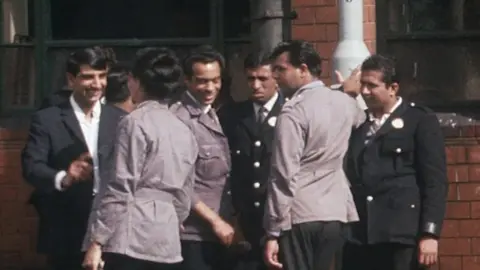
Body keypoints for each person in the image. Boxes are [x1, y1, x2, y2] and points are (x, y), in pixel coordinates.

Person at [81, 47, 199, 270]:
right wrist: (174, 220)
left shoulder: (134, 122)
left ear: (136, 81)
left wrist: (97, 240)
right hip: (166, 238)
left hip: (130, 234)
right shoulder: (184, 129)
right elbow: (185, 192)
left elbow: (120, 185)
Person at [262, 40, 366, 270]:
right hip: (337, 211)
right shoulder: (344, 103)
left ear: (303, 70)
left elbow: (283, 174)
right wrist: (346, 92)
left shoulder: (292, 111)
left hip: (300, 212)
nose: (275, 75)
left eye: (281, 69)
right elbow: (360, 119)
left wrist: (273, 230)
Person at [21, 47, 126, 270]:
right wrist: (65, 177)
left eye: (102, 76)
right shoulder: (47, 119)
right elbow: (31, 166)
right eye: (88, 77)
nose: (97, 84)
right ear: (71, 79)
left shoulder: (121, 120)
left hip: (113, 224)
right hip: (67, 225)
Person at [340, 54, 447, 270]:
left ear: (393, 88)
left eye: (372, 85)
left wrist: (429, 233)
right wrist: (344, 95)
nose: (365, 91)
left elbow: (434, 181)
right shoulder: (358, 124)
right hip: (361, 236)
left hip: (400, 234)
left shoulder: (418, 120)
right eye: (363, 85)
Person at [170, 45, 235, 270]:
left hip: (220, 230)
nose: (210, 88)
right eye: (202, 81)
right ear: (186, 81)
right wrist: (215, 221)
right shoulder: (180, 120)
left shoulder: (214, 113)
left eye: (215, 80)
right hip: (193, 234)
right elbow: (179, 183)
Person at [222, 50, 284, 270]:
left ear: (277, 79)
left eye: (262, 79)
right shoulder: (231, 116)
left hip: (280, 221)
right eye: (251, 78)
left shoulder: (291, 113)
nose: (255, 85)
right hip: (244, 221)